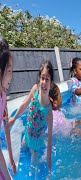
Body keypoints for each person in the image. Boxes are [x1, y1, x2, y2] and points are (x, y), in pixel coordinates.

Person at [8, 60, 54, 174]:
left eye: (47, 79)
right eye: (42, 78)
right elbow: (24, 104)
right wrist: (14, 117)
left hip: (35, 145)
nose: (43, 82)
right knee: (21, 154)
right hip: (26, 135)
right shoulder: (35, 90)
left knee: (33, 170)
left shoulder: (48, 112)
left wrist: (49, 171)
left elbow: (49, 140)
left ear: (51, 83)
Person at [0, 36, 16, 178]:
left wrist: (11, 159)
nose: (11, 77)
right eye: (9, 71)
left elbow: (6, 127)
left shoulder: (3, 97)